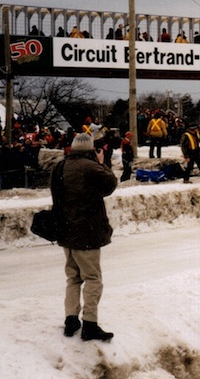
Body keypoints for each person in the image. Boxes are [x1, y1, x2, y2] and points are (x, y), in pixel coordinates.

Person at [53, 133, 118, 341]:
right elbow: (110, 184)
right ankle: (90, 323)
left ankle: (71, 319)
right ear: (90, 149)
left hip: (66, 230)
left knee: (73, 277)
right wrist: (102, 162)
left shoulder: (60, 166)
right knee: (92, 278)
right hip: (87, 231)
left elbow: (55, 194)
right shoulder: (91, 167)